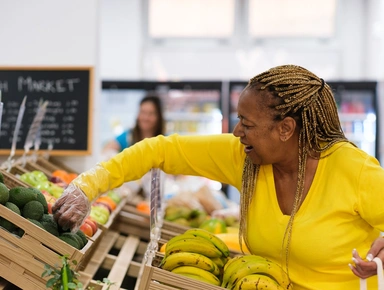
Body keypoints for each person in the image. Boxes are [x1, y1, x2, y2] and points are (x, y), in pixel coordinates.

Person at [53, 65, 384, 289]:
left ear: (285, 129)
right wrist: (86, 187)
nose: (238, 131)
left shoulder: (353, 171)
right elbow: (158, 150)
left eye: (248, 123)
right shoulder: (245, 159)